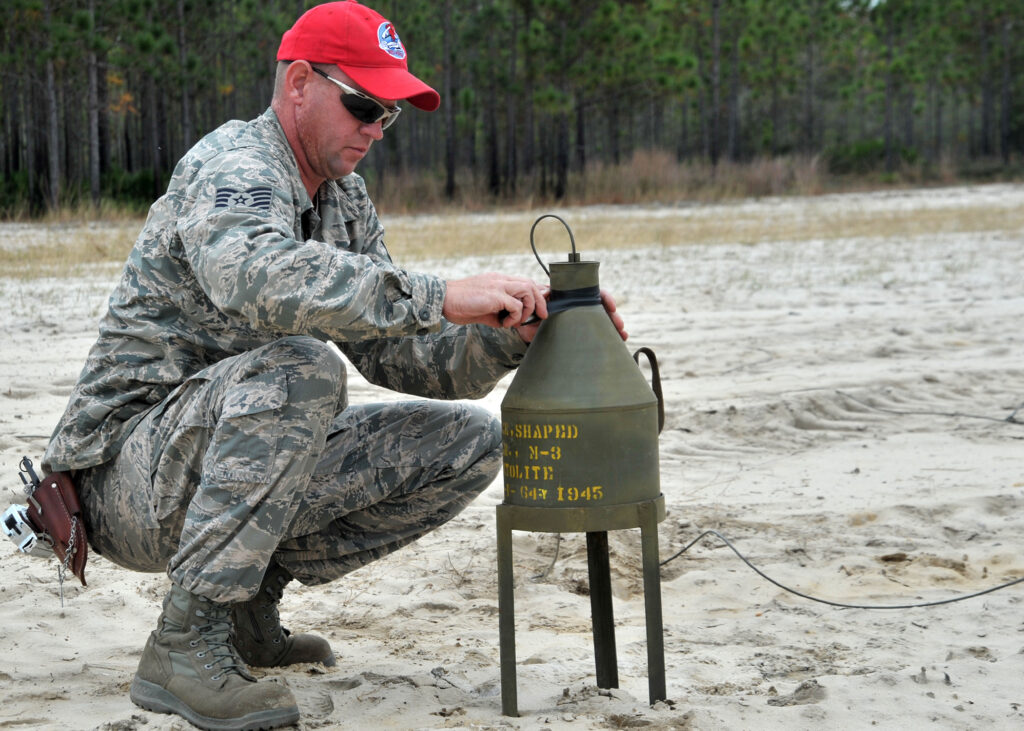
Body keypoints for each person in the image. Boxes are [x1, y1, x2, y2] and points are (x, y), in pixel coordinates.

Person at [43, 1, 627, 729]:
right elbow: (254, 276)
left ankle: (247, 607)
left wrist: (507, 334)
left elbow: (399, 352)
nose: (374, 130)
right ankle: (185, 642)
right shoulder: (237, 164)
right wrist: (442, 293)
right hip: (122, 478)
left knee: (466, 441)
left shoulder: (342, 195)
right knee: (302, 370)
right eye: (361, 105)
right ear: (297, 83)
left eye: (388, 115)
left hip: (217, 462)